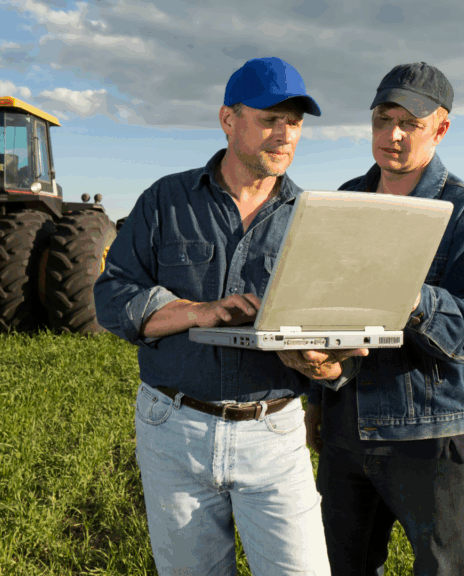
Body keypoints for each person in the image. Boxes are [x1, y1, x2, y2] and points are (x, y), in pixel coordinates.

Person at [93, 57, 363, 576]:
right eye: (270, 119)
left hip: (275, 433)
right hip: (174, 427)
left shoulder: (313, 220)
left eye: (296, 122)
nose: (284, 134)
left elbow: (334, 333)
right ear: (228, 119)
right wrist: (198, 312)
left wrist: (327, 365)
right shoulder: (166, 201)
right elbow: (112, 296)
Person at [305, 62, 464, 576]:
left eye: (409, 124)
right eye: (382, 119)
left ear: (441, 129)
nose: (391, 136)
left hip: (432, 439)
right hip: (346, 432)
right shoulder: (345, 202)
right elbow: (316, 310)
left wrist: (410, 295)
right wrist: (316, 401)